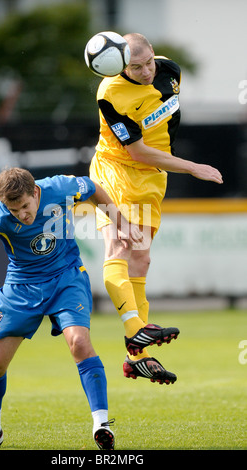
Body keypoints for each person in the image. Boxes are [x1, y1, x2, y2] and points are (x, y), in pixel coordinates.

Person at [0, 168, 141, 451]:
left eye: (25, 206)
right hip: (22, 286)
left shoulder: (60, 188)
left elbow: (92, 187)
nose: (21, 215)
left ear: (35, 193)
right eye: (14, 210)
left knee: (79, 342)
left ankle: (101, 424)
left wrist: (119, 222)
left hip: (66, 277)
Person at [89, 33, 223, 383]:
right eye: (136, 67)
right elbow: (136, 151)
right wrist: (193, 166)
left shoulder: (170, 71)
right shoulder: (110, 94)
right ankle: (136, 331)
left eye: (149, 62)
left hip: (152, 176)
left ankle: (136, 358)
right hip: (116, 169)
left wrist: (173, 162)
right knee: (120, 243)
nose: (147, 71)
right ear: (121, 65)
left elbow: (162, 127)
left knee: (142, 258)